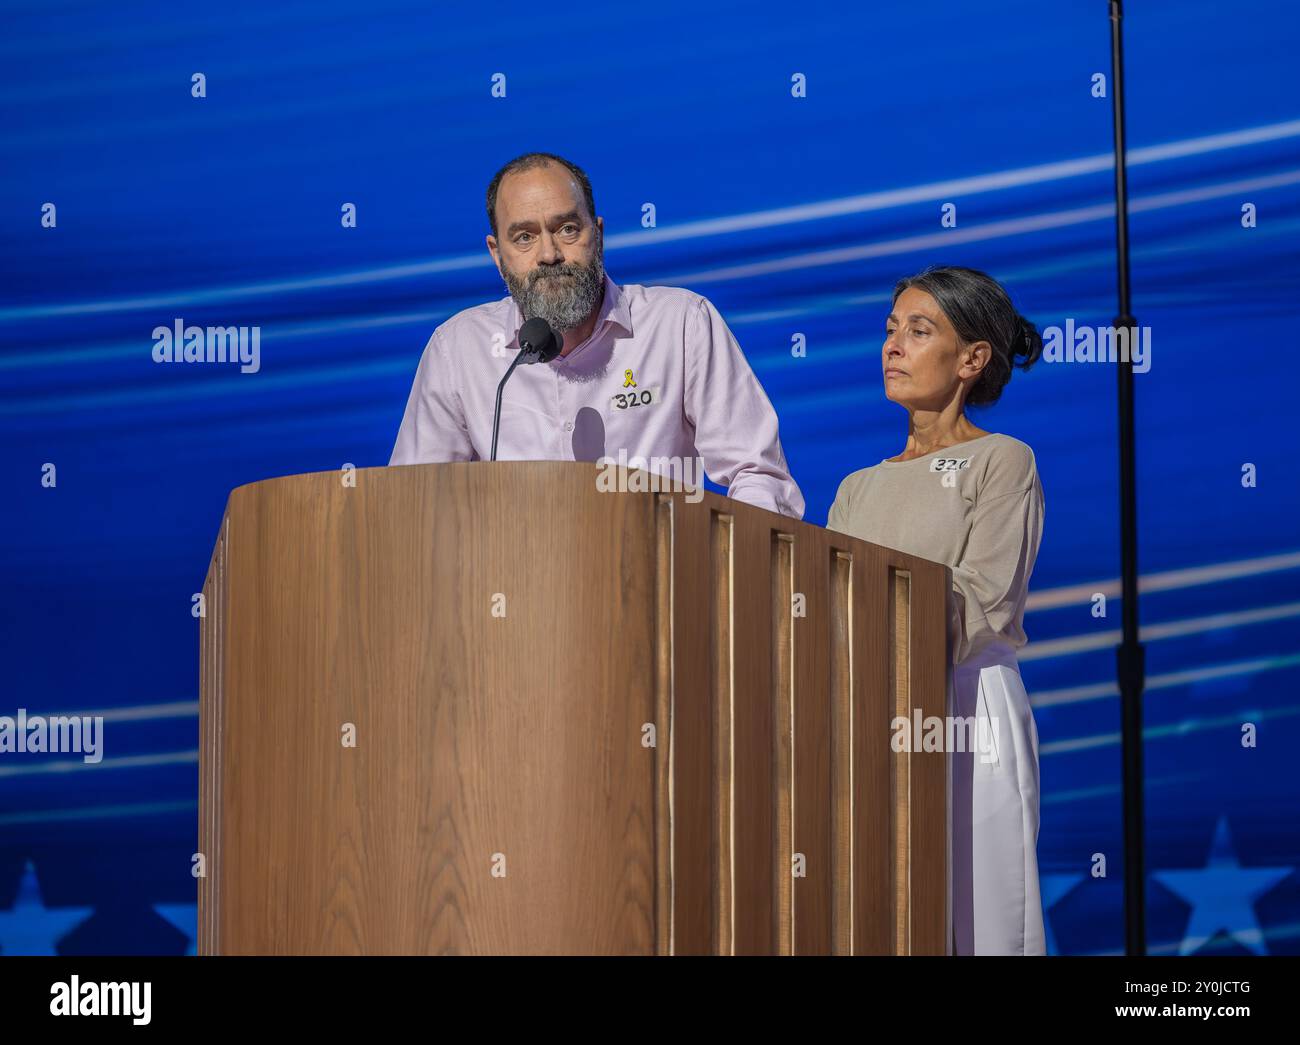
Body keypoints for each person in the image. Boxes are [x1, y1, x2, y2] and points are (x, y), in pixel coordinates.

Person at [389, 151, 804, 518]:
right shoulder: (459, 350)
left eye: (567, 229)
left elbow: (758, 476)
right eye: (525, 237)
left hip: (661, 589)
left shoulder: (680, 325)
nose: (549, 254)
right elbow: (412, 506)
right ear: (498, 256)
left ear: (598, 235)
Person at [826, 265, 1046, 956]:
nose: (893, 345)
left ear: (972, 359)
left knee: (983, 919)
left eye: (919, 331)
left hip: (967, 702)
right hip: (871, 713)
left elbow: (983, 596)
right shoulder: (856, 488)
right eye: (891, 330)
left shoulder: (1002, 461)